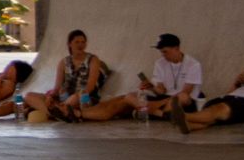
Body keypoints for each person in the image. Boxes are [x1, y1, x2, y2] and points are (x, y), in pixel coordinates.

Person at [62, 32, 203, 123]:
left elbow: (186, 93)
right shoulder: (160, 63)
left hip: (180, 102)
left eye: (166, 52)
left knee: (182, 98)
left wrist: (156, 101)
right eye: (161, 52)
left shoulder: (192, 64)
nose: (163, 55)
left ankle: (148, 110)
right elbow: (160, 91)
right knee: (126, 98)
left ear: (177, 49)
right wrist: (152, 87)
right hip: (163, 101)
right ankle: (80, 113)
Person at [174, 66, 244, 133]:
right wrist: (237, 83)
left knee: (219, 109)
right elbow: (229, 95)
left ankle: (184, 116)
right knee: (214, 114)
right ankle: (188, 126)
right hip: (228, 99)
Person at [29, 30, 109, 121]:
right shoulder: (64, 62)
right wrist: (50, 97)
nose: (80, 45)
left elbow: (90, 87)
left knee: (76, 97)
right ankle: (59, 113)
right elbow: (57, 88)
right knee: (30, 96)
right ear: (69, 44)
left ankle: (59, 111)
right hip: (64, 98)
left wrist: (76, 96)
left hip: (84, 98)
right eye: (77, 42)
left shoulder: (93, 60)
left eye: (83, 42)